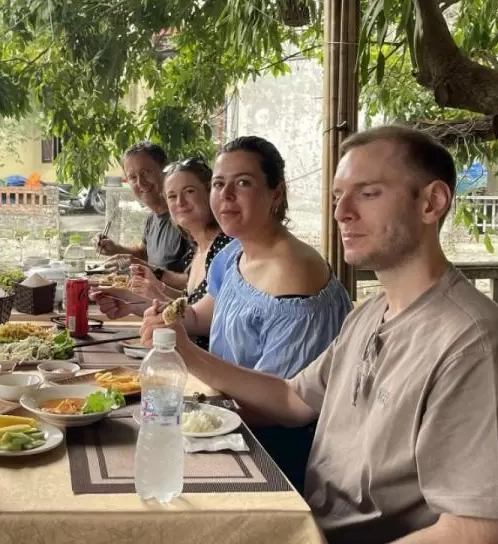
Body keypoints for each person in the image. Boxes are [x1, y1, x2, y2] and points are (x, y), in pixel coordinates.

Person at [150, 126, 498, 544]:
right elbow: (293, 400)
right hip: (315, 540)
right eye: (337, 196)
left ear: (431, 203)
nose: (341, 213)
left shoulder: (473, 345)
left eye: (368, 194)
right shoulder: (370, 315)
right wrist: (185, 353)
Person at [140, 136, 350, 378]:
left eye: (243, 182)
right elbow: (199, 317)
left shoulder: (294, 273)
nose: (226, 195)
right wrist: (165, 319)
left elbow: (282, 402)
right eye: (218, 184)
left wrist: (188, 353)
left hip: (253, 414)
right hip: (224, 404)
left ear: (276, 194)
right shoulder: (234, 254)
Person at [96, 157, 232, 349]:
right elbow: (186, 308)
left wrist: (147, 295)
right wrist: (130, 303)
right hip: (187, 356)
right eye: (172, 196)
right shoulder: (201, 247)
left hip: (206, 365)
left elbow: (202, 321)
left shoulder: (226, 249)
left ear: (210, 193)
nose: (180, 202)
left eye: (189, 191)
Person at [95, 141, 190, 288]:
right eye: (133, 177)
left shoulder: (187, 219)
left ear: (166, 171)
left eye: (146, 172)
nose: (141, 183)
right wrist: (116, 249)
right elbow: (144, 253)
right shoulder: (152, 218)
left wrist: (149, 271)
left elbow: (198, 284)